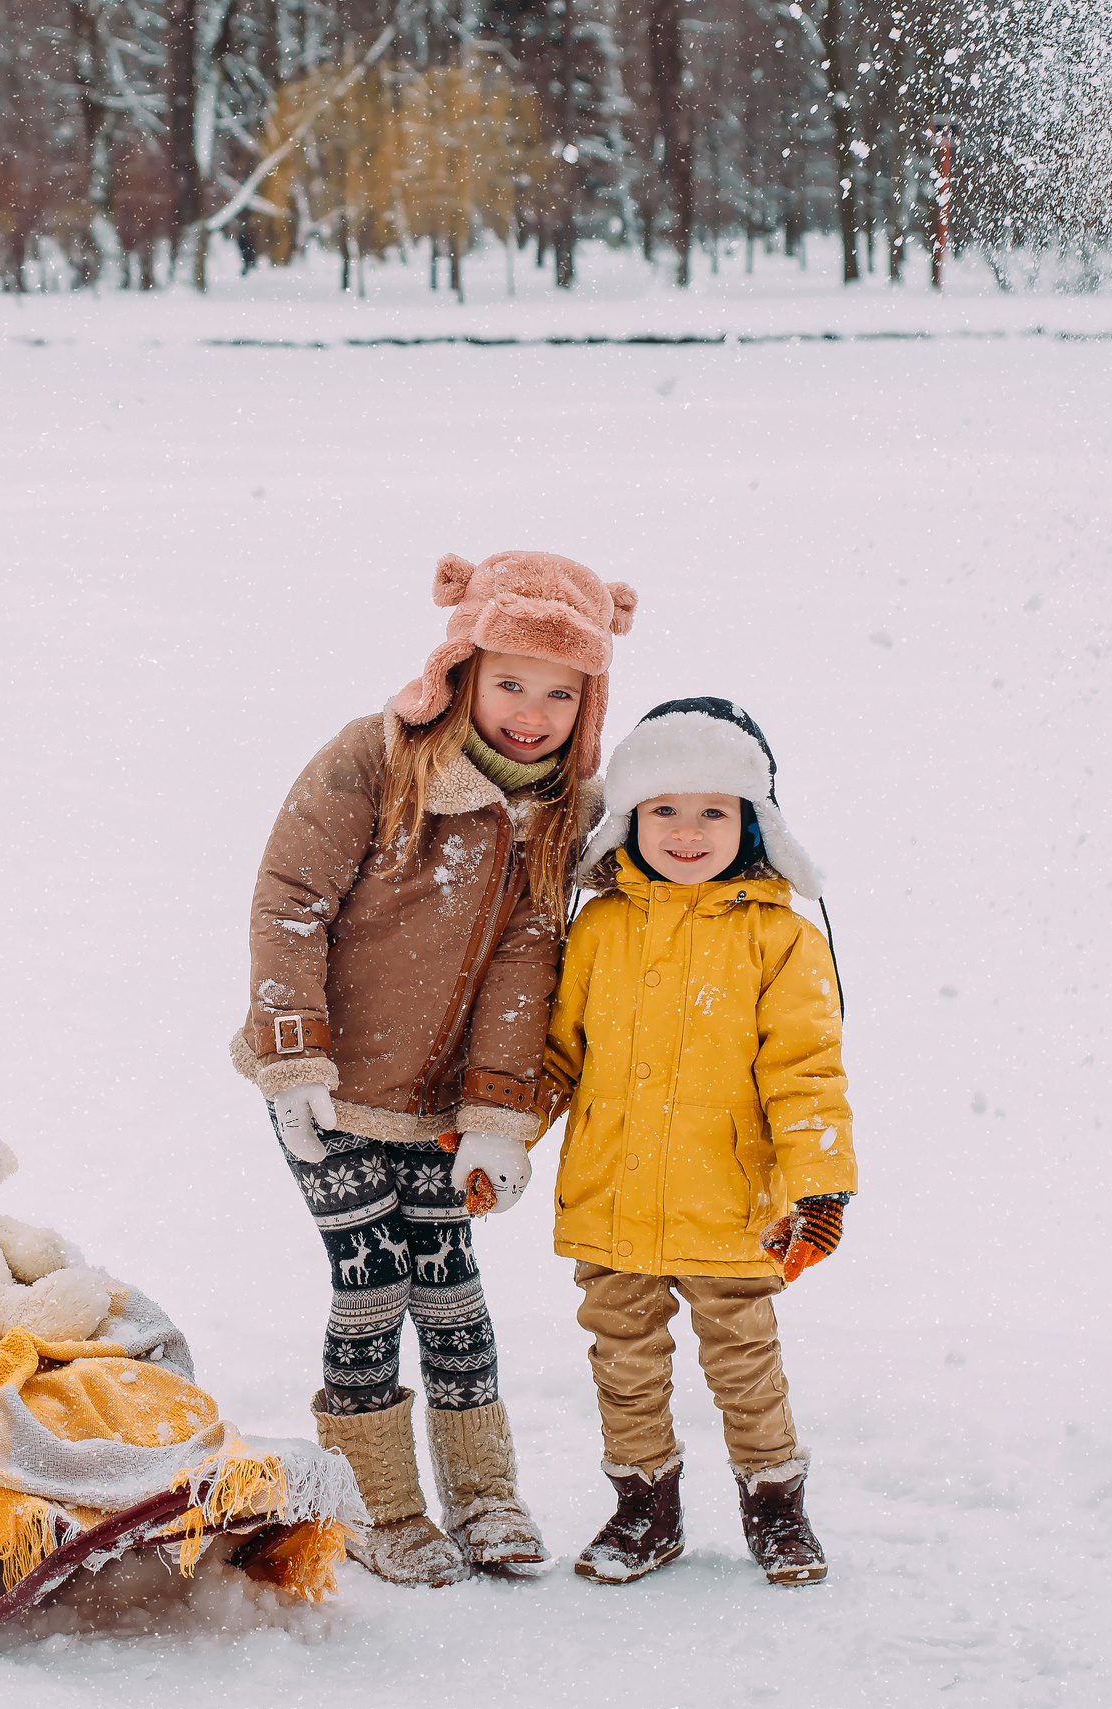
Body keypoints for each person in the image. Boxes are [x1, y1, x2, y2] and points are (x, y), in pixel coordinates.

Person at [234, 550, 638, 1586]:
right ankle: (375, 1500)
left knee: (451, 1285)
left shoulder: (561, 809)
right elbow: (290, 900)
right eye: (510, 681)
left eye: (561, 692)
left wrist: (500, 1115)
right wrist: (293, 1061)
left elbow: (528, 962)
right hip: (330, 1088)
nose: (531, 712)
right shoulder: (373, 758)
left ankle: (484, 1491)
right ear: (462, 667)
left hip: (441, 1107)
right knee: (370, 1281)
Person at [539, 697, 858, 1587]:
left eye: (713, 810)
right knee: (624, 1363)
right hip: (612, 1196)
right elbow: (558, 1054)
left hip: (734, 1206)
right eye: (663, 809)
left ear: (753, 821)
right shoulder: (598, 928)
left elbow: (806, 1073)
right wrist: (499, 1134)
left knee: (745, 1364)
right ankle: (645, 1507)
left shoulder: (781, 939)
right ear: (628, 820)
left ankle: (776, 1506)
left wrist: (819, 1188)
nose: (687, 831)